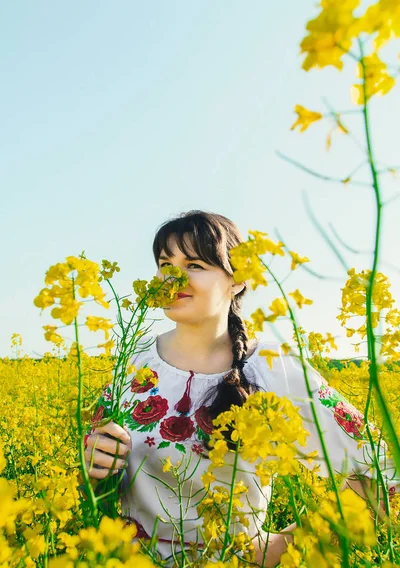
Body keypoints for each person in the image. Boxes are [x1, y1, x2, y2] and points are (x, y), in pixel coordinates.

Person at [85, 210, 399, 567]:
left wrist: (276, 549)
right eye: (164, 263)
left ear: (236, 280)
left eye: (195, 265)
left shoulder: (271, 367)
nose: (172, 277)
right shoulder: (134, 361)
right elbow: (91, 482)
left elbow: (381, 467)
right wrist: (91, 464)